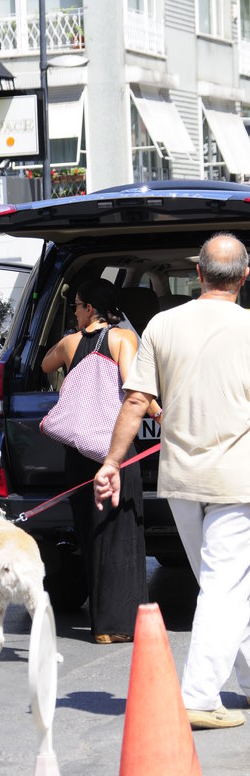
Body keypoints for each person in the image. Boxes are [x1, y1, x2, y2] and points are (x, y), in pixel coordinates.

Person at [94, 232, 250, 730]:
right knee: (225, 587)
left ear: (198, 274)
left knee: (220, 584)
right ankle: (199, 696)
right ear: (245, 277)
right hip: (236, 481)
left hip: (180, 479)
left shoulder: (162, 324)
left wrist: (111, 462)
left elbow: (136, 400)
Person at [41, 278, 159, 644]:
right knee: (122, 534)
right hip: (115, 452)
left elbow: (45, 365)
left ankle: (101, 626)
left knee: (91, 535)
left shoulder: (70, 343)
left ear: (90, 308)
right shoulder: (123, 339)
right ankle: (120, 622)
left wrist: (70, 347)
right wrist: (160, 414)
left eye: (76, 306)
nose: (74, 313)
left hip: (79, 454)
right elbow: (135, 388)